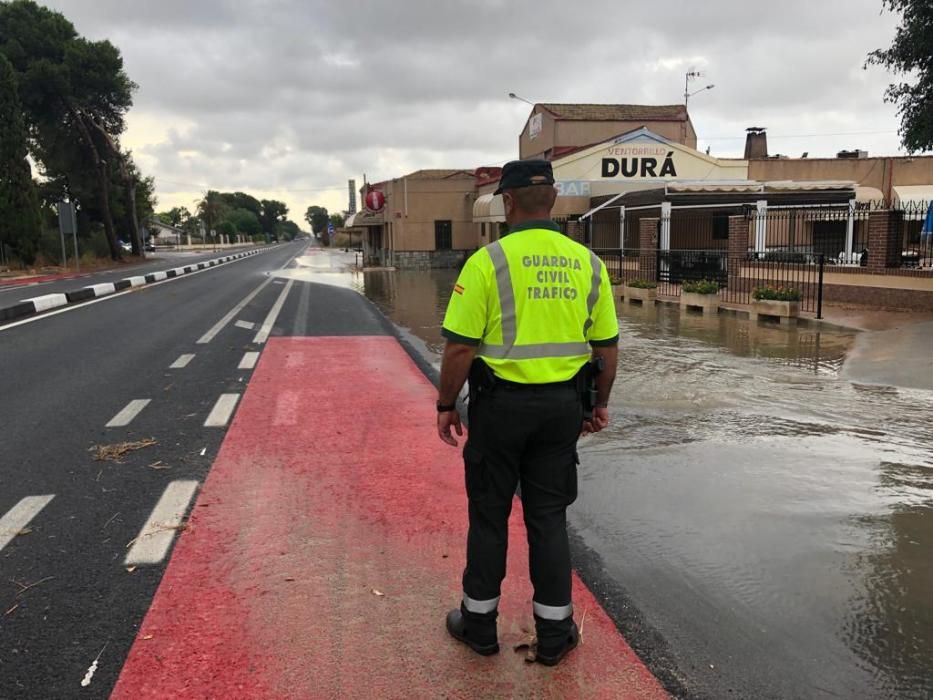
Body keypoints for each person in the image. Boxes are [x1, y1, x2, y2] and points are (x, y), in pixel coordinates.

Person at [436, 160, 619, 666]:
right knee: (548, 518)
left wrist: (446, 405)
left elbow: (458, 350)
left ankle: (478, 628)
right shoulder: (588, 263)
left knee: (489, 516)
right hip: (561, 411)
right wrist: (598, 404)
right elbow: (607, 347)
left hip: (499, 410)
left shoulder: (487, 263)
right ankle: (556, 635)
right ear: (554, 199)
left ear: (507, 202)